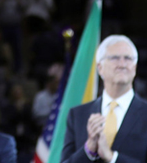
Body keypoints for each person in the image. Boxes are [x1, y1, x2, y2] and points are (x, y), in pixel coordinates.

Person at [61, 35, 147, 163]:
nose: (122, 64)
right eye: (115, 58)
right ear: (100, 68)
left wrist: (112, 158)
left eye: (128, 58)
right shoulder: (77, 115)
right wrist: (88, 149)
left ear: (134, 68)